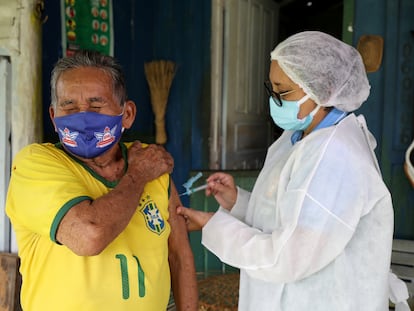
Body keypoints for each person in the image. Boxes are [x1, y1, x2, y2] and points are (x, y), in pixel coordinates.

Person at [177, 31, 410, 311]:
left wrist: (211, 223)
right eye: (271, 88)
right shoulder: (298, 137)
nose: (275, 99)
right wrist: (237, 201)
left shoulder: (336, 159)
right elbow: (290, 215)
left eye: (284, 91)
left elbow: (288, 256)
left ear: (321, 90)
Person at [6, 50, 198, 311]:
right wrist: (138, 175)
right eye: (69, 106)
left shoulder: (152, 168)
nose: (82, 116)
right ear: (53, 117)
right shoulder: (34, 165)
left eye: (96, 105)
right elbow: (89, 236)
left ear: (127, 114)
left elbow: (179, 255)